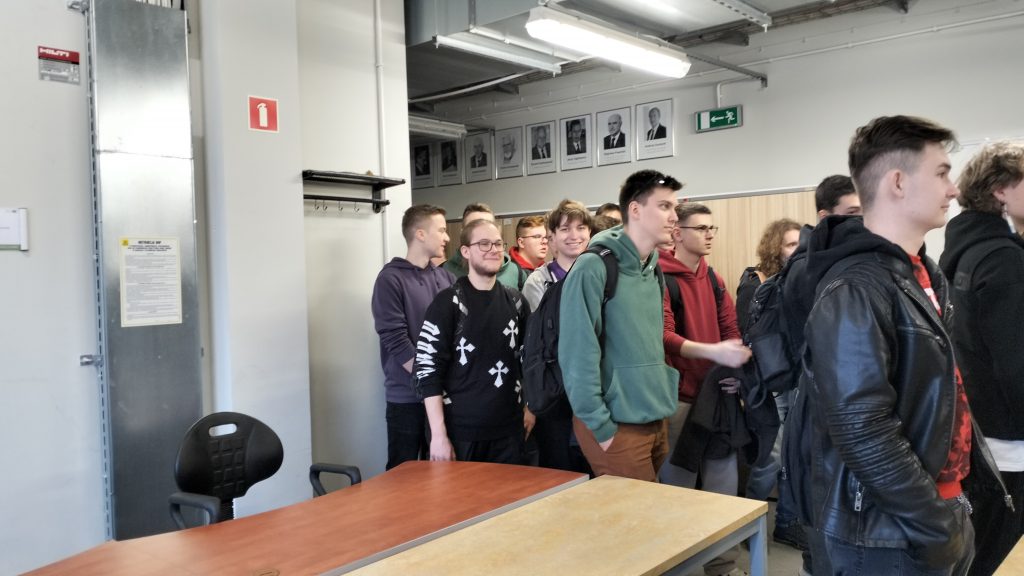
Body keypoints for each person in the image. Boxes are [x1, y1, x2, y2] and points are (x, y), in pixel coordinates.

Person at [802, 115, 1007, 576]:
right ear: (897, 182)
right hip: (889, 531)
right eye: (942, 173)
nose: (954, 189)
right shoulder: (856, 287)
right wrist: (935, 526)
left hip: (938, 508)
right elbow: (863, 427)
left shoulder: (922, 275)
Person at [558, 169, 682, 482]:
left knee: (648, 508)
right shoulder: (593, 266)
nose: (674, 216)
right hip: (615, 424)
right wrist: (600, 426)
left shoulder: (652, 268)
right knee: (638, 511)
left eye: (675, 207)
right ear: (635, 210)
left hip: (654, 417)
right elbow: (577, 354)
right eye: (664, 206)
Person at [939, 141, 1024, 576]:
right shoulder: (1005, 259)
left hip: (979, 430)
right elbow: (1016, 364)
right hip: (1010, 441)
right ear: (1000, 190)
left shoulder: (964, 250)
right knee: (999, 558)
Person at [659, 202, 751, 576]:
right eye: (701, 228)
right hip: (679, 399)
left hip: (716, 398)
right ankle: (679, 565)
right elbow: (664, 335)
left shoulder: (713, 279)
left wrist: (732, 366)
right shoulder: (660, 278)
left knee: (723, 488)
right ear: (677, 233)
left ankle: (722, 566)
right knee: (677, 490)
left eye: (712, 228)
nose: (709, 235)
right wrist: (713, 353)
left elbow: (731, 328)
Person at [413, 218, 531, 464]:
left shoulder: (517, 302)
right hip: (460, 433)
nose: (494, 250)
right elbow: (427, 369)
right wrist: (438, 435)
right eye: (484, 244)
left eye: (497, 243)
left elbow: (530, 359)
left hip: (509, 431)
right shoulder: (447, 303)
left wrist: (531, 408)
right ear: (465, 251)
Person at [371, 205, 455, 469]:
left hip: (444, 396)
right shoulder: (390, 279)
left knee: (445, 472)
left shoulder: (447, 278)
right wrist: (428, 381)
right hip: (406, 399)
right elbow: (395, 339)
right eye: (441, 230)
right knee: (403, 474)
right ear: (420, 234)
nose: (447, 237)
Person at [521, 199, 594, 474]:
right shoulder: (538, 282)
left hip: (593, 393)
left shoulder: (600, 275)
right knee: (560, 473)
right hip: (556, 395)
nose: (574, 235)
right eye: (565, 229)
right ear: (551, 238)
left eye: (581, 228)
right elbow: (538, 345)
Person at [735, 218, 801, 330]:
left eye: (801, 244)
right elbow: (747, 334)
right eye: (792, 245)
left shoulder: (801, 282)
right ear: (775, 250)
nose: (799, 250)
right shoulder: (753, 287)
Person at [443, 203, 529, 289]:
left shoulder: (516, 272)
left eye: (490, 225)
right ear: (462, 233)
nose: (485, 231)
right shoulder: (444, 273)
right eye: (474, 226)